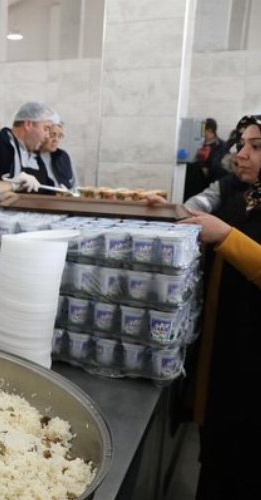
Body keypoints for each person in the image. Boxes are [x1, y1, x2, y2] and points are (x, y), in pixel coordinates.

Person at [179, 116, 261, 498]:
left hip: (251, 359)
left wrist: (226, 236)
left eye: (255, 147)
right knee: (218, 453)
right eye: (243, 144)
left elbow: (227, 235)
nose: (241, 154)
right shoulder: (248, 193)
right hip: (227, 344)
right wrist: (167, 209)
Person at [0, 101, 58, 184]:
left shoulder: (34, 157)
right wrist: (9, 186)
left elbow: (45, 187)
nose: (47, 136)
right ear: (28, 125)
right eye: (46, 129)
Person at [33, 121, 78, 192]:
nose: (56, 140)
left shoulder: (63, 157)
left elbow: (75, 186)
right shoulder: (31, 156)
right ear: (44, 134)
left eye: (60, 136)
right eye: (52, 135)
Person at [194, 118, 227, 183]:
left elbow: (224, 167)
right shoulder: (199, 144)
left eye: (203, 130)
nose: (201, 132)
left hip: (214, 182)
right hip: (198, 182)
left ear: (210, 130)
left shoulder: (222, 146)